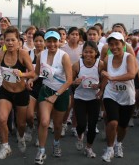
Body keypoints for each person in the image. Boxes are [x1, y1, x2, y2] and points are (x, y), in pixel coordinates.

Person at [0, 26, 34, 159]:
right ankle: (5, 146)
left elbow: (33, 72)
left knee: (21, 124)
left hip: (21, 92)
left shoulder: (23, 54)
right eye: (7, 40)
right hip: (5, 91)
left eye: (13, 40)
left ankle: (21, 137)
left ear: (18, 41)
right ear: (3, 41)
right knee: (2, 119)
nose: (10, 43)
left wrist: (22, 74)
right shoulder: (0, 54)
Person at [28, 29, 72, 165]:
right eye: (49, 41)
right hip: (46, 91)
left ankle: (56, 142)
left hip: (61, 93)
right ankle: (41, 151)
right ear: (46, 42)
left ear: (59, 42)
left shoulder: (64, 56)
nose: (52, 44)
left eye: (55, 41)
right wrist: (31, 80)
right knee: (44, 121)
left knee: (58, 125)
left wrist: (56, 95)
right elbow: (37, 73)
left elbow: (69, 80)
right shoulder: (42, 54)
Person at [100, 32, 137, 162]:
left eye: (117, 44)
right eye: (111, 44)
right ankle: (109, 149)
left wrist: (113, 78)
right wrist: (101, 89)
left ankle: (118, 144)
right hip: (111, 94)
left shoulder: (129, 58)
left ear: (123, 44)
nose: (114, 47)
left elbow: (132, 74)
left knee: (123, 126)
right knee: (113, 122)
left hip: (127, 96)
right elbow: (105, 75)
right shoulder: (107, 59)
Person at [72, 41, 104, 158]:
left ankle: (89, 148)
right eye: (86, 52)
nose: (88, 54)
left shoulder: (100, 64)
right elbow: (69, 80)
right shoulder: (77, 65)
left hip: (94, 98)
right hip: (80, 97)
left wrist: (100, 87)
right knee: (81, 124)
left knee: (92, 125)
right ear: (82, 53)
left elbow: (105, 77)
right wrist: (75, 82)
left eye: (91, 52)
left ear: (96, 53)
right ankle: (80, 135)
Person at [25, 30, 45, 143]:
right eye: (36, 41)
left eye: (41, 41)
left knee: (42, 117)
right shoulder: (28, 54)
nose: (38, 43)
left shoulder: (49, 55)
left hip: (44, 86)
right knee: (29, 115)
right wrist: (26, 81)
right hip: (31, 86)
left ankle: (39, 135)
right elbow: (23, 70)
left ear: (45, 42)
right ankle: (30, 127)